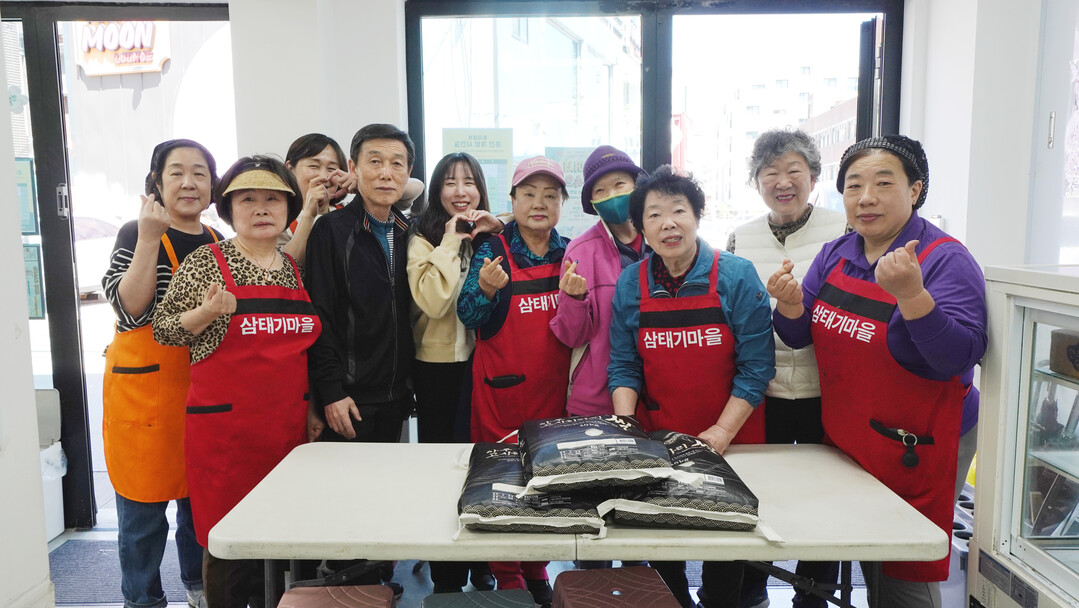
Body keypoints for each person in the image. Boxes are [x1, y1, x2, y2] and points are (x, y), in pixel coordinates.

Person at [767, 135, 987, 608]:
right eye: (854, 185)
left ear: (915, 190)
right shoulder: (837, 252)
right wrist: (788, 305)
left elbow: (959, 356)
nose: (866, 198)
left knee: (902, 574)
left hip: (919, 442)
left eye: (883, 183)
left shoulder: (944, 260)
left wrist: (913, 297)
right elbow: (800, 332)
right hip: (851, 437)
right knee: (865, 552)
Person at [153, 156, 322, 608]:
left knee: (280, 539)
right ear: (228, 209)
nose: (262, 209)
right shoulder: (206, 262)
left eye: (273, 199)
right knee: (227, 543)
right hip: (225, 436)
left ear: (289, 208)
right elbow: (163, 330)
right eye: (248, 199)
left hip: (286, 433)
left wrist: (310, 411)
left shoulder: (294, 268)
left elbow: (302, 352)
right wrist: (206, 312)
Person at [607, 166, 775, 608]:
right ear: (641, 228)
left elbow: (757, 368)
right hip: (658, 438)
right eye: (654, 214)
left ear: (697, 216)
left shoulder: (736, 276)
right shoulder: (631, 283)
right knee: (662, 556)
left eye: (678, 210)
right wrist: (626, 429)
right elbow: (624, 365)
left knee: (727, 552)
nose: (668, 223)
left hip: (732, 438)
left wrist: (721, 433)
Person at [102, 139, 222, 608]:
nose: (189, 182)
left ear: (213, 187)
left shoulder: (218, 242)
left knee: (199, 510)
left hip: (201, 399)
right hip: (144, 401)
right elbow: (130, 308)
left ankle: (200, 590)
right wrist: (150, 238)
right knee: (142, 519)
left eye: (200, 173)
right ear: (156, 182)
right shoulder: (135, 232)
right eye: (176, 172)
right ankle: (142, 599)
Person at [730, 130, 847, 608]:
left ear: (813, 177)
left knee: (827, 495)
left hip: (828, 389)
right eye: (770, 173)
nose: (782, 182)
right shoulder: (741, 237)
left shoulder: (843, 230)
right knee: (760, 493)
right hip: (767, 389)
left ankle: (814, 593)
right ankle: (752, 588)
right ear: (756, 182)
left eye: (793, 171)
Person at [456, 155, 572, 606]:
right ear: (513, 200)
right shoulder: (492, 250)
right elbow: (468, 315)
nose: (539, 203)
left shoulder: (569, 253)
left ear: (562, 203)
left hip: (554, 392)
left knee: (547, 484)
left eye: (549, 195)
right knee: (502, 484)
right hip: (501, 393)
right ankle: (507, 574)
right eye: (529, 194)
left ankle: (537, 565)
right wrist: (484, 288)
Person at [406, 152, 503, 594]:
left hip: (481, 365)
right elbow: (434, 301)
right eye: (449, 182)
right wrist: (449, 241)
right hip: (437, 369)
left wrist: (493, 228)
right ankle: (446, 571)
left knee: (482, 465)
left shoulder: (485, 233)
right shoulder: (422, 238)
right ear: (436, 191)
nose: (460, 191)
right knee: (442, 469)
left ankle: (481, 559)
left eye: (469, 182)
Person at [305, 123, 416, 443]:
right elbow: (319, 315)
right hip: (349, 400)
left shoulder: (410, 231)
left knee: (387, 488)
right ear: (353, 167)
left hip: (397, 396)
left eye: (397, 164)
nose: (386, 173)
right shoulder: (332, 230)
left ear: (408, 171)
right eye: (375, 161)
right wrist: (330, 393)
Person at [550, 145, 648, 417]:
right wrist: (574, 300)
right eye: (600, 191)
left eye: (619, 184)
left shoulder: (663, 242)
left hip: (659, 397)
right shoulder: (580, 251)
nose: (612, 195)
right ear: (591, 201)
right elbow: (572, 336)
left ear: (637, 186)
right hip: (597, 400)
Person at [280, 133, 425, 264]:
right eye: (314, 166)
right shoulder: (280, 220)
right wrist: (309, 214)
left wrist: (363, 185)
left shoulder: (354, 212)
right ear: (290, 169)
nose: (324, 176)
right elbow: (288, 269)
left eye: (331, 169)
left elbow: (417, 187)